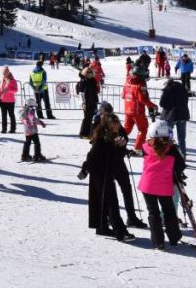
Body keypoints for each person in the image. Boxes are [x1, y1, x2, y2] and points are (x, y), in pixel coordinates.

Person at [79, 114, 136, 242]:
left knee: (104, 202)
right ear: (108, 125)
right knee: (112, 203)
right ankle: (120, 232)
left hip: (107, 173)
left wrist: (122, 147)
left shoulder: (114, 136)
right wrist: (85, 169)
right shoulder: (102, 138)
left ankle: (102, 227)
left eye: (118, 123)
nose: (117, 125)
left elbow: (116, 156)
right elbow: (92, 156)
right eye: (114, 124)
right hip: (99, 174)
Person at [138, 121, 186, 250]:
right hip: (164, 185)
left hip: (148, 185)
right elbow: (181, 165)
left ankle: (157, 241)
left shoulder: (146, 147)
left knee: (153, 212)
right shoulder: (171, 149)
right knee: (169, 211)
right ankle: (174, 236)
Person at [122, 64, 157, 153]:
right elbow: (143, 99)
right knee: (143, 128)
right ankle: (138, 148)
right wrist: (153, 106)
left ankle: (115, 143)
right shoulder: (140, 84)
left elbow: (123, 95)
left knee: (126, 129)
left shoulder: (127, 82)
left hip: (128, 109)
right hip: (137, 111)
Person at [158, 77, 190, 156]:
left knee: (167, 136)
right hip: (182, 115)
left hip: (170, 116)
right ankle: (183, 155)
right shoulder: (182, 88)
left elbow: (162, 103)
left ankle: (167, 154)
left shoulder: (167, 89)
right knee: (181, 137)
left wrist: (169, 107)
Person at [19, 98, 48, 162]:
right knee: (37, 143)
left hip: (26, 130)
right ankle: (37, 155)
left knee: (27, 142)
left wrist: (25, 121)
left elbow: (22, 118)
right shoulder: (31, 111)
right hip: (32, 130)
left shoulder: (23, 111)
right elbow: (33, 119)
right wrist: (41, 122)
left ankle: (25, 155)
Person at [77, 67, 100, 139]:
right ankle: (83, 133)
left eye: (90, 72)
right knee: (87, 118)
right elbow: (81, 93)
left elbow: (96, 91)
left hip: (93, 101)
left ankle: (91, 133)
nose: (89, 74)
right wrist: (83, 103)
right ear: (85, 73)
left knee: (93, 118)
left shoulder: (93, 80)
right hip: (86, 103)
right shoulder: (83, 81)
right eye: (87, 72)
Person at [0, 67, 18, 133]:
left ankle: (13, 129)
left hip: (10, 101)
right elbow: (2, 88)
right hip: (3, 100)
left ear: (8, 73)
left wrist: (8, 90)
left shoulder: (12, 80)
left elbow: (15, 90)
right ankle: (4, 129)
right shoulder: (3, 79)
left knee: (11, 115)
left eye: (5, 73)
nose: (4, 75)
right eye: (3, 73)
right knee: (3, 115)